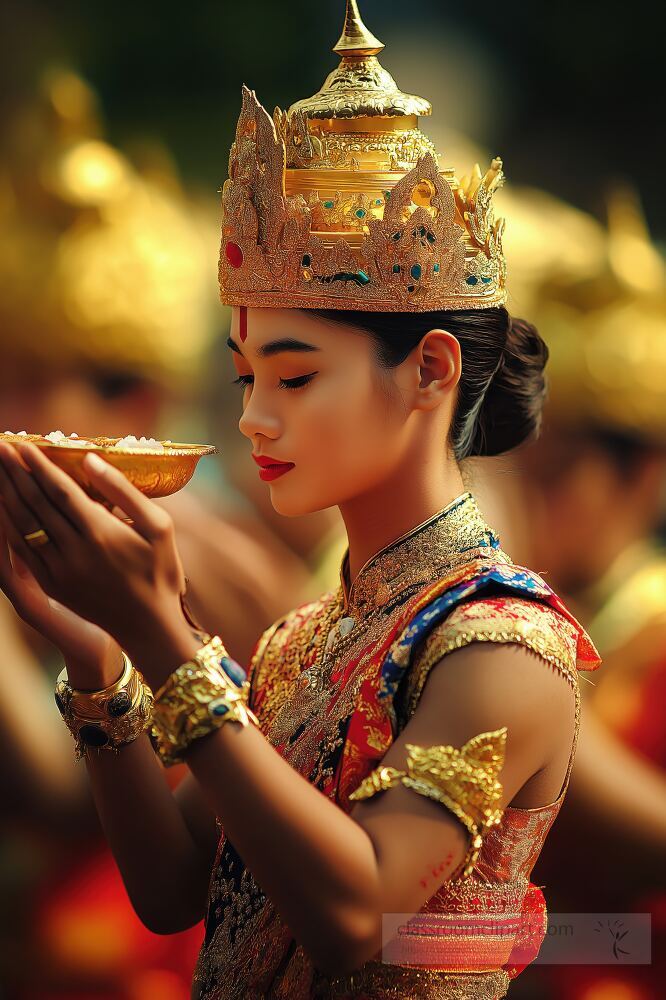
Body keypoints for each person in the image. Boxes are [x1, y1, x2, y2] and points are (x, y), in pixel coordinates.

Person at [0, 4, 601, 998]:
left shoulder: (502, 648)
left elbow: (356, 915)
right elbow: (170, 889)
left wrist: (164, 634)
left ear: (429, 369)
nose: (255, 422)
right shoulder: (301, 641)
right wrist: (96, 659)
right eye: (245, 381)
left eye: (295, 377)